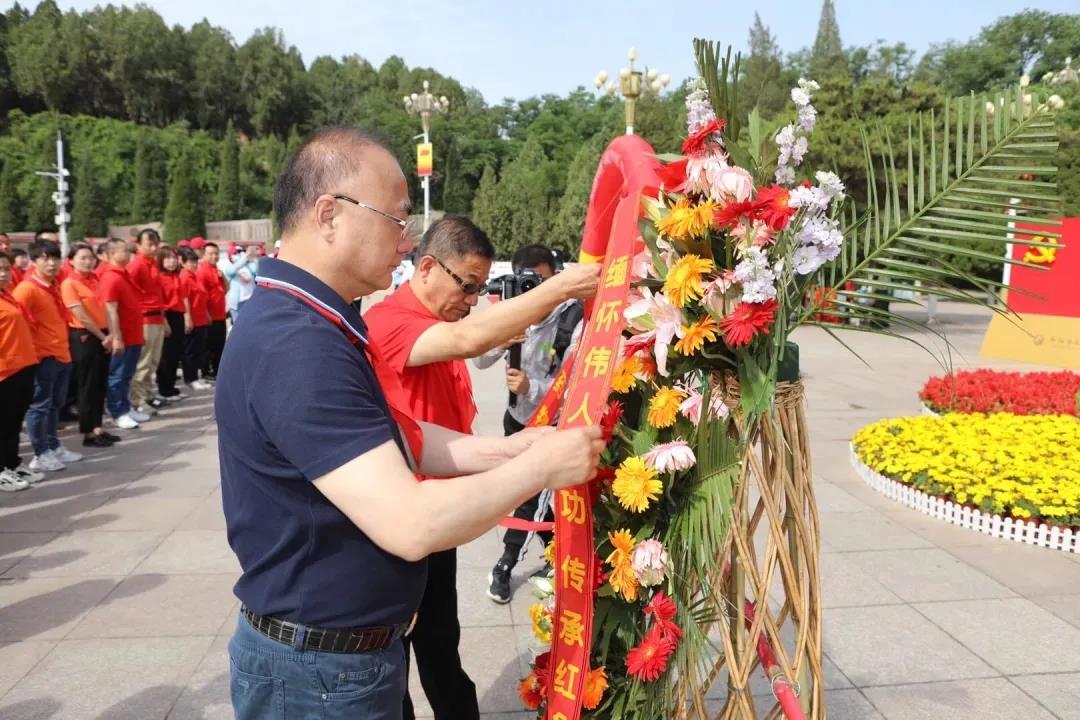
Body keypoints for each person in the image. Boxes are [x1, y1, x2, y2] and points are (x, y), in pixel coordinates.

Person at [217, 127, 603, 720]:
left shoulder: (319, 321)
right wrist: (541, 466)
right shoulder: (299, 342)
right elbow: (409, 522)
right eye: (396, 219)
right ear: (329, 214)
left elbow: (403, 439)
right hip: (318, 672)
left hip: (338, 655)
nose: (404, 242)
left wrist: (510, 449)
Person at [364, 222, 599, 720]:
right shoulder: (392, 320)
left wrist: (511, 451)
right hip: (403, 519)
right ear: (427, 267)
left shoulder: (435, 321)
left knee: (440, 647)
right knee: (395, 663)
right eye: (467, 285)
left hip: (442, 515)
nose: (473, 299)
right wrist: (562, 286)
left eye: (481, 289)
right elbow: (470, 339)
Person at [473, 244, 584, 603]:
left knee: (531, 494)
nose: (539, 294)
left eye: (546, 283)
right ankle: (556, 557)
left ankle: (505, 563)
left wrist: (530, 386)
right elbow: (480, 360)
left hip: (552, 423)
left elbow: (576, 381)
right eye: (530, 284)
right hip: (516, 421)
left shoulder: (573, 320)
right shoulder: (512, 310)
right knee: (531, 494)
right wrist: (503, 335)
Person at [13, 238, 83, 472]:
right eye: (45, 258)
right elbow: (21, 326)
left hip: (61, 352)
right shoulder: (26, 290)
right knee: (40, 406)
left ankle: (53, 446)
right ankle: (40, 452)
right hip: (44, 356)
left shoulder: (53, 286)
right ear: (34, 261)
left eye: (55, 258)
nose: (52, 263)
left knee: (55, 405)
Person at [61, 242, 120, 448]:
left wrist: (111, 334)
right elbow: (80, 315)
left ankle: (98, 427)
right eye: (82, 258)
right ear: (71, 261)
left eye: (90, 258)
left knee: (99, 384)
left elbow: (107, 307)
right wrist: (101, 336)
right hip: (85, 336)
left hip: (103, 334)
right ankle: (88, 432)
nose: (87, 262)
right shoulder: (69, 283)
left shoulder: (95, 279)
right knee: (87, 386)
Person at [0, 252, 44, 490]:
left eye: (6, 268)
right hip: (4, 371)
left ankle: (12, 463)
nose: (3, 273)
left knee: (14, 421)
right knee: (3, 423)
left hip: (22, 366)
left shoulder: (7, 296)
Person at [97, 238, 146, 430]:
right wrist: (116, 337)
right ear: (110, 255)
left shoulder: (124, 275)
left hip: (133, 335)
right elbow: (110, 309)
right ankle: (117, 412)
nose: (127, 254)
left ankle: (126, 407)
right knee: (117, 376)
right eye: (122, 251)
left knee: (127, 375)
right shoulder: (111, 278)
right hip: (123, 336)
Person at [125, 228, 168, 416]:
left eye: (155, 244)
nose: (153, 247)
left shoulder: (152, 264)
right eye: (149, 244)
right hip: (145, 318)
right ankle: (138, 399)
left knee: (153, 360)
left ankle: (149, 394)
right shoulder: (137, 265)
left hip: (157, 316)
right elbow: (129, 293)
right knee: (143, 362)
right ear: (138, 245)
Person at [156, 246, 189, 401]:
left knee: (175, 352)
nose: (171, 262)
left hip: (178, 315)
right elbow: (160, 301)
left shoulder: (176, 276)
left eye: (174, 258)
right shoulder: (159, 277)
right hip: (167, 315)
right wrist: (164, 321)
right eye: (167, 258)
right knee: (166, 355)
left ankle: (171, 387)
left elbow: (182, 298)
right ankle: (165, 389)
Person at [179, 247, 212, 390]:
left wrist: (206, 314)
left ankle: (196, 376)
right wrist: (187, 317)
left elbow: (202, 297)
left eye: (195, 262)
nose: (194, 265)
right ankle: (190, 378)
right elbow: (184, 298)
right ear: (184, 263)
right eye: (191, 262)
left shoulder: (195, 276)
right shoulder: (185, 277)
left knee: (198, 350)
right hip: (192, 319)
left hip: (201, 318)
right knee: (190, 351)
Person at [197, 242, 228, 379]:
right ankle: (206, 371)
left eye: (216, 253)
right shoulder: (202, 270)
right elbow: (201, 295)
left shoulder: (216, 269)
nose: (214, 256)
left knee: (219, 345)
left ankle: (217, 370)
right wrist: (206, 313)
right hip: (210, 315)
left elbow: (226, 289)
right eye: (211, 254)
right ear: (204, 254)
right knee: (209, 346)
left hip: (220, 314)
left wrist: (223, 277)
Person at [222, 244, 258, 319]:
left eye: (241, 252)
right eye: (236, 253)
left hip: (250, 301)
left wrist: (254, 259)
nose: (239, 254)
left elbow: (257, 271)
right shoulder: (229, 268)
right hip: (237, 303)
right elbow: (232, 270)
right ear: (230, 257)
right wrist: (245, 258)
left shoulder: (249, 267)